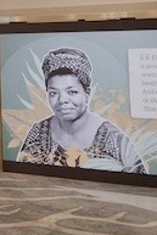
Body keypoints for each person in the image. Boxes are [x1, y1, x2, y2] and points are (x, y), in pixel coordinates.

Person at [18, 47, 146, 173]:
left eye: (72, 92)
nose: (62, 100)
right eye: (53, 93)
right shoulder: (38, 133)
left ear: (87, 94)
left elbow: (140, 184)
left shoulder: (114, 140)